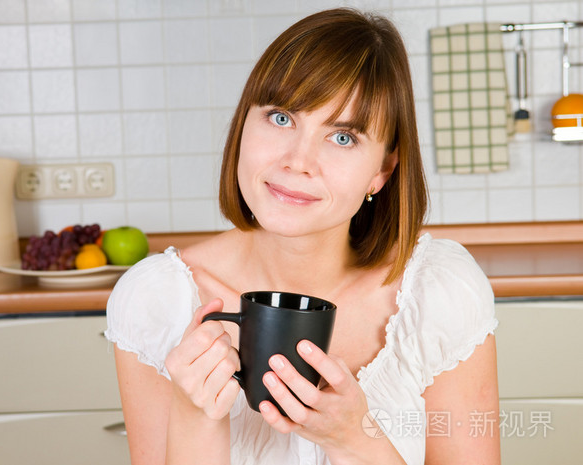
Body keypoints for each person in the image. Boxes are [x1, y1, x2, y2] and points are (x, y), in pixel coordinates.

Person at [105, 8, 500, 465]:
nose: (298, 161)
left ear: (382, 171)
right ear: (243, 126)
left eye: (343, 138)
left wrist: (354, 440)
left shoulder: (440, 292)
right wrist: (194, 417)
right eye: (281, 118)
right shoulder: (155, 300)